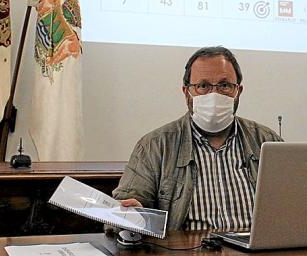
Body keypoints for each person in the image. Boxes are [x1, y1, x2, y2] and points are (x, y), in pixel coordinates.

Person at [113, 46, 282, 231]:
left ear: (238, 92)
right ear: (187, 92)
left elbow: (294, 202)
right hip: (187, 255)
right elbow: (122, 208)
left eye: (224, 85)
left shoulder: (267, 141)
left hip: (258, 255)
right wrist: (132, 216)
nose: (214, 94)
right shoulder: (155, 146)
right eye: (203, 86)